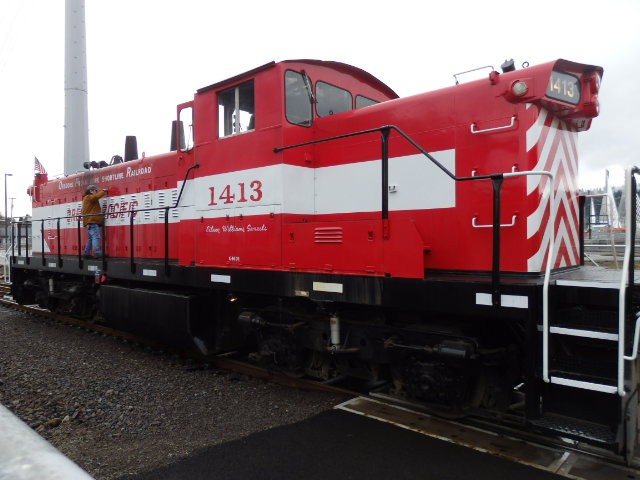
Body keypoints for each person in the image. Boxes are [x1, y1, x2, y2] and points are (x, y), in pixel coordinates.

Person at [82, 184, 108, 258]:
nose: (96, 192)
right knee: (96, 236)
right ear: (91, 191)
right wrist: (103, 191)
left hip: (89, 221)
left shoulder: (86, 198)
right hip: (92, 221)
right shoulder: (89, 197)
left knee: (91, 238)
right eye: (96, 191)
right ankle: (97, 252)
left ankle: (87, 253)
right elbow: (96, 197)